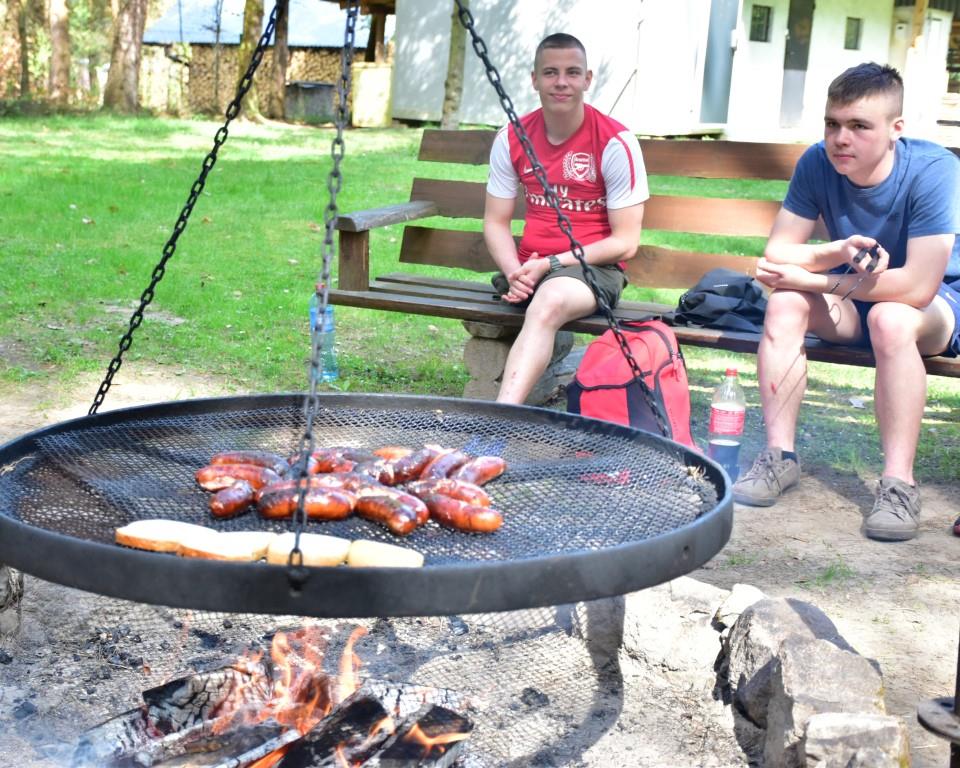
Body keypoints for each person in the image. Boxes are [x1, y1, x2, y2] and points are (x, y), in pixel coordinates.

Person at [731, 62, 960, 542]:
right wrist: (832, 252)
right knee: (784, 305)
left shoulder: (935, 169)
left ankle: (899, 485)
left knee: (892, 320)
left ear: (896, 130)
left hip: (934, 306)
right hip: (858, 297)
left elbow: (917, 286)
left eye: (859, 126)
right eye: (833, 124)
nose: (840, 138)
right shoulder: (817, 161)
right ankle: (779, 456)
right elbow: (779, 253)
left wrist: (815, 280)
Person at [483, 32, 648, 405]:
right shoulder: (511, 137)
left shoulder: (615, 142)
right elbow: (495, 221)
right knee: (541, 296)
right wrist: (514, 272)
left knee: (549, 301)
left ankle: (501, 416)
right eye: (551, 72)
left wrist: (551, 263)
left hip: (593, 268)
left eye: (573, 73)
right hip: (529, 268)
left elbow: (626, 242)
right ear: (534, 79)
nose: (561, 82)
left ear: (587, 80)